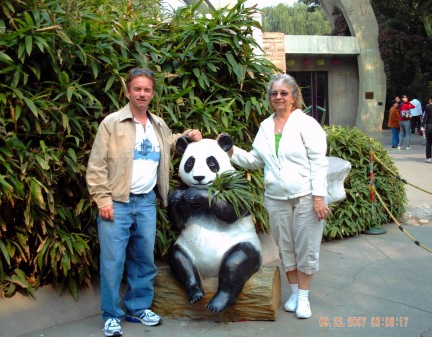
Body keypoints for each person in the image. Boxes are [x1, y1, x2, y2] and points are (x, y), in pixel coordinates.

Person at [86, 68, 202, 337]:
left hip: (147, 202)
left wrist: (186, 136)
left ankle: (138, 308)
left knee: (143, 259)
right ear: (128, 92)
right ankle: (111, 315)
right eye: (137, 89)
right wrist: (103, 199)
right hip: (117, 202)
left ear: (152, 93)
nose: (142, 93)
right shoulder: (112, 123)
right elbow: (96, 166)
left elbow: (169, 143)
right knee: (113, 262)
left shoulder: (158, 124)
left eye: (147, 89)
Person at [228, 73, 330, 319]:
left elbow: (319, 162)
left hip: (306, 195)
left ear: (294, 97)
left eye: (284, 93)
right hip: (275, 197)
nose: (279, 97)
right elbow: (255, 160)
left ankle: (304, 297)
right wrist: (231, 150)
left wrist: (319, 197)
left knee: (306, 247)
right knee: (286, 247)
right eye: (274, 93)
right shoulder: (265, 126)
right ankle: (294, 292)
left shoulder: (306, 124)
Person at [422, 95, 432, 163]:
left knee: (429, 142)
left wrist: (422, 126)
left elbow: (425, 117)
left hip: (429, 126)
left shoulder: (428, 107)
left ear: (430, 100)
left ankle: (428, 158)